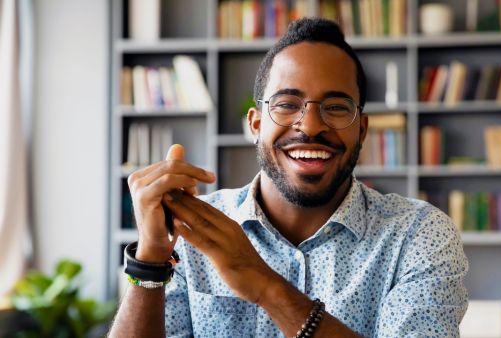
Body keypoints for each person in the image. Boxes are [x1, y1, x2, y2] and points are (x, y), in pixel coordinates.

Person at [109, 17, 468, 338]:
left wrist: (265, 286)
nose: (310, 126)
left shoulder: (419, 234)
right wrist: (152, 259)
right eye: (286, 104)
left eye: (337, 107)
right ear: (255, 123)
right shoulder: (191, 232)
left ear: (362, 130)